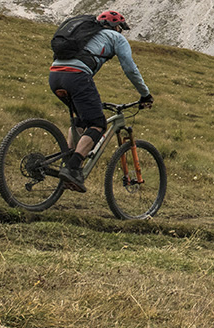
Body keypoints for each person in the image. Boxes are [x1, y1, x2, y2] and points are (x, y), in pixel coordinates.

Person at [48, 10, 153, 192]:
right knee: (97, 124)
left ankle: (69, 164)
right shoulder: (116, 37)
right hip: (77, 77)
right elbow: (130, 69)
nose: (120, 31)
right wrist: (145, 94)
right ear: (116, 27)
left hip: (55, 75)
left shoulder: (85, 35)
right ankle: (73, 168)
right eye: (120, 27)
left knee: (81, 121)